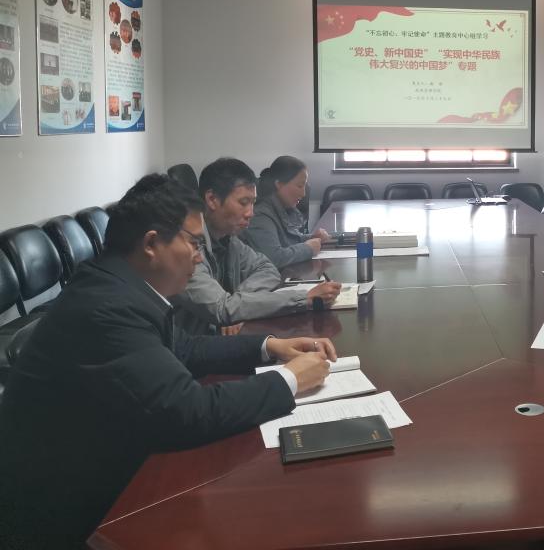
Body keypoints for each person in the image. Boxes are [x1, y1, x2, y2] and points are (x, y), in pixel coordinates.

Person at [0, 174, 336, 549]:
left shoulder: (121, 286)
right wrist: (289, 379)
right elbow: (188, 411)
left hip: (106, 469)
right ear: (151, 244)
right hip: (66, 518)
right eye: (194, 243)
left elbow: (185, 349)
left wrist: (270, 346)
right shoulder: (106, 309)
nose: (199, 256)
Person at [176, 157, 340, 334]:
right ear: (212, 199)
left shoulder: (228, 239)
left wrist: (240, 304)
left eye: (252, 203)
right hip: (194, 346)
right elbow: (222, 309)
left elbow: (267, 268)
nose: (250, 213)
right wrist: (304, 298)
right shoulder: (187, 248)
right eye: (243, 203)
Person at [243, 155, 331, 268]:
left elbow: (288, 240)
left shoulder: (282, 207)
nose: (303, 194)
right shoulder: (260, 215)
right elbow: (273, 258)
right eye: (300, 186)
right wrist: (308, 249)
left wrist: (313, 237)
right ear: (279, 184)